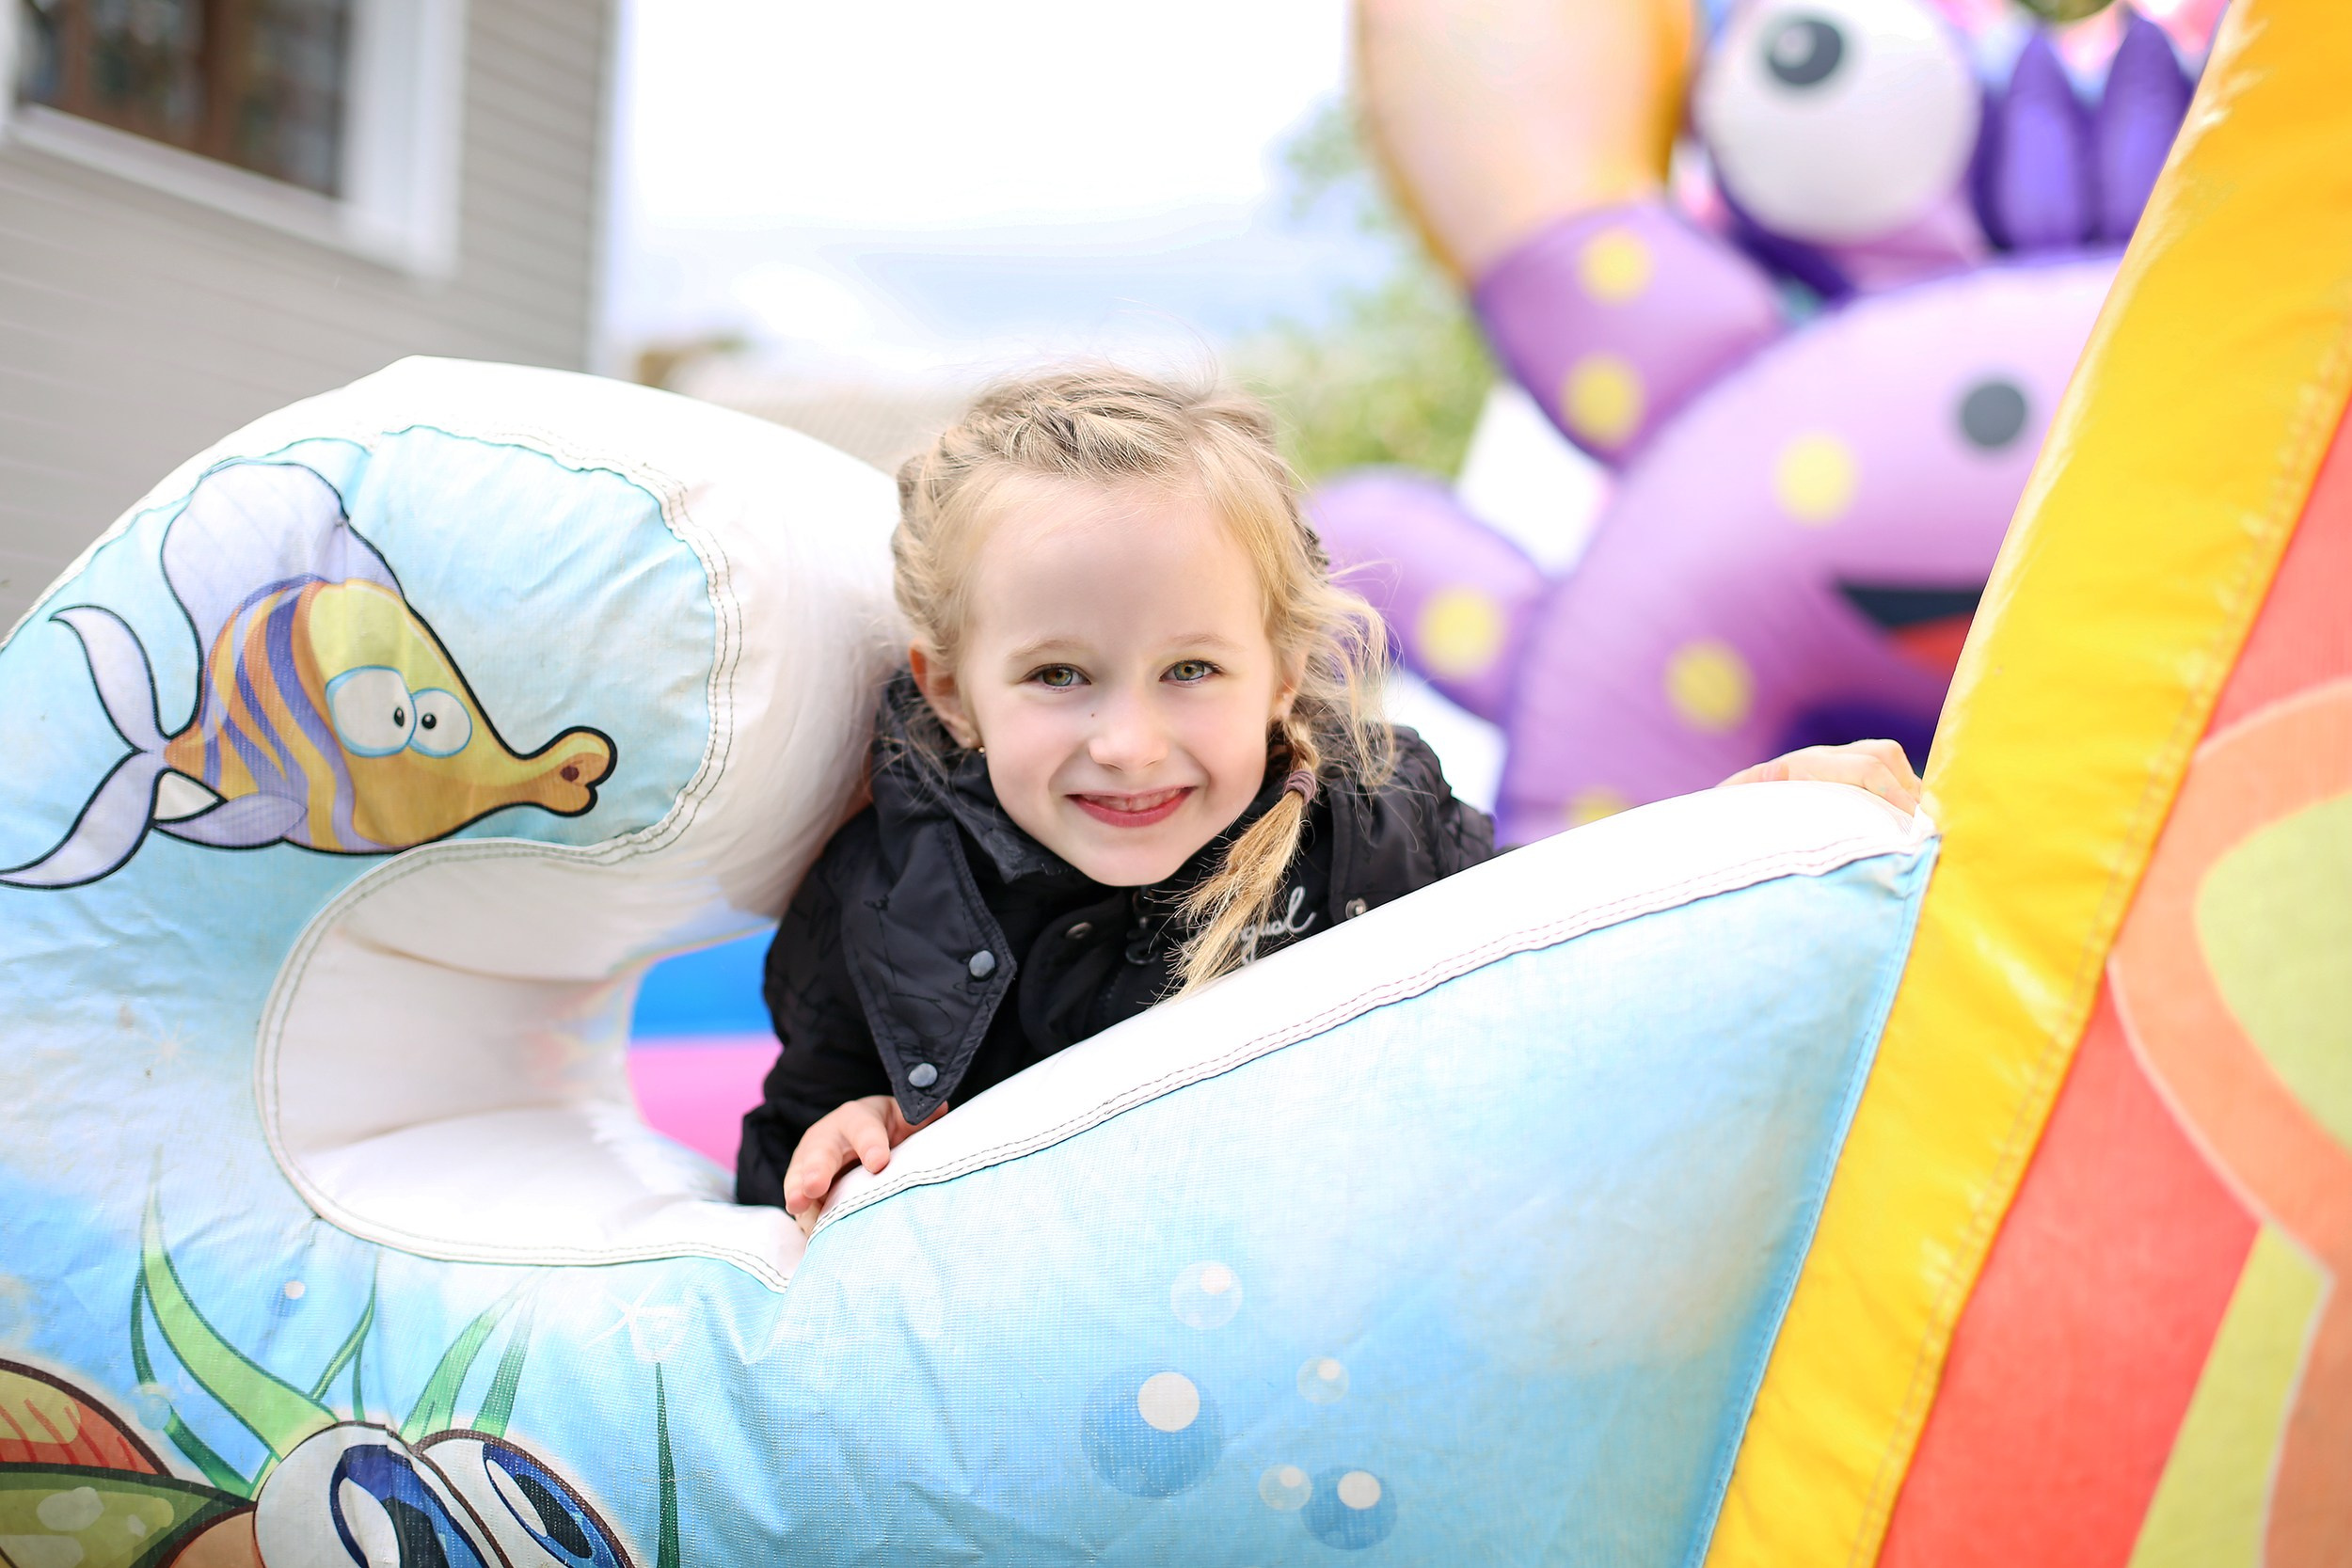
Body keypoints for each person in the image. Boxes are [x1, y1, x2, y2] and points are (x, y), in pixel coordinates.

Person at [737, 366, 1921, 1229]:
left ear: (1281, 673)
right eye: (1058, 675)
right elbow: (779, 1154)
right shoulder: (889, 894)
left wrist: (1742, 833)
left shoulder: (1370, 825)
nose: (1132, 742)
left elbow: (1568, 951)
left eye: (1190, 670)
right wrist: (836, 1144)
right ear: (951, 693)